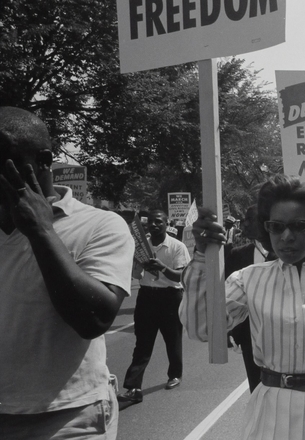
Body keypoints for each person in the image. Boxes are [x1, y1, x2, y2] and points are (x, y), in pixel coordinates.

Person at [182, 175, 305, 440]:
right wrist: (203, 256)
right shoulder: (248, 278)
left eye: (300, 226)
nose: (286, 236)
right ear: (266, 228)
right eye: (276, 226)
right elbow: (202, 328)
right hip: (271, 407)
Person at [0, 107, 134, 439]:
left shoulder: (100, 225)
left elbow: (93, 319)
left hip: (68, 419)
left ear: (43, 159)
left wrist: (41, 231)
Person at [117, 209, 190, 403]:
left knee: (172, 340)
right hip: (147, 297)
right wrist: (139, 266)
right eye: (150, 222)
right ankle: (133, 387)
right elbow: (136, 276)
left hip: (170, 298)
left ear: (167, 224)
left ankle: (175, 375)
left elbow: (181, 276)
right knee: (142, 344)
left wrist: (162, 268)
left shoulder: (177, 246)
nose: (154, 225)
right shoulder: (141, 247)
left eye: (159, 222)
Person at [224, 205, 273, 393]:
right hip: (250, 336)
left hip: (284, 333)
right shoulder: (237, 254)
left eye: (249, 219)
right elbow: (226, 296)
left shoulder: (289, 255)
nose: (243, 224)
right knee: (257, 389)